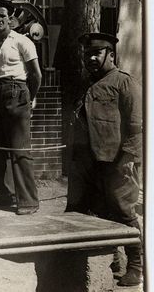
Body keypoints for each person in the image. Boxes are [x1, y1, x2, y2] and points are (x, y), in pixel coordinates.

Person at [65, 32, 143, 287]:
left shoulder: (125, 83)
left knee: (124, 212)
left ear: (111, 54)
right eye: (87, 54)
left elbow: (136, 125)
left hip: (118, 161)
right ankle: (113, 262)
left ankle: (136, 266)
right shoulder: (87, 84)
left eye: (96, 53)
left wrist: (130, 158)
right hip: (88, 163)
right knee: (92, 213)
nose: (90, 58)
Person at [0, 0, 41, 215]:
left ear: (11, 18)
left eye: (3, 15)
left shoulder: (22, 41)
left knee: (19, 149)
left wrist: (29, 99)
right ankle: (4, 194)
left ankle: (28, 201)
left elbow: (36, 75)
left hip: (18, 93)